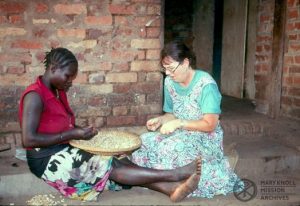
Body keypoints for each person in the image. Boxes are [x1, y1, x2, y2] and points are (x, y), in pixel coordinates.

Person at [18, 47, 202, 202]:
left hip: (64, 147)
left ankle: (170, 189)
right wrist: (72, 135)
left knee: (118, 158)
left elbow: (61, 125)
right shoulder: (35, 96)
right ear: (53, 68)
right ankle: (174, 175)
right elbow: (29, 139)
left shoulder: (58, 91)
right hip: (46, 159)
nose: (70, 82)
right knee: (106, 165)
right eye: (67, 76)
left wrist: (81, 130)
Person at [131, 40, 244, 198]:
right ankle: (166, 183)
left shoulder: (206, 85)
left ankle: (173, 181)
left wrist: (180, 123)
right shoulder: (169, 82)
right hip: (180, 132)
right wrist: (161, 120)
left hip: (204, 138)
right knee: (142, 142)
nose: (168, 73)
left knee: (168, 148)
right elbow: (172, 114)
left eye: (171, 69)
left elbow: (210, 124)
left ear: (185, 63)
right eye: (165, 69)